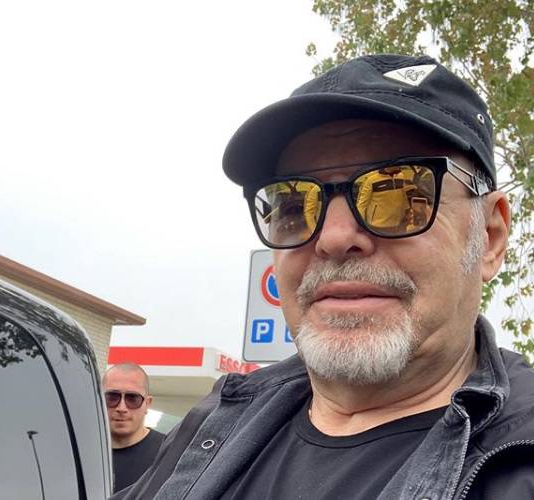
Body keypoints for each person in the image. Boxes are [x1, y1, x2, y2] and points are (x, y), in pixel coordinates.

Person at [111, 55, 534, 499]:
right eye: (294, 204)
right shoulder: (215, 421)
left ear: (489, 237)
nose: (333, 237)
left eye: (397, 195)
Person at [102, 362, 165, 493]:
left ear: (147, 404)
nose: (121, 408)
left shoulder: (168, 454)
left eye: (132, 398)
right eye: (112, 397)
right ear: (100, 400)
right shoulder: (79, 450)